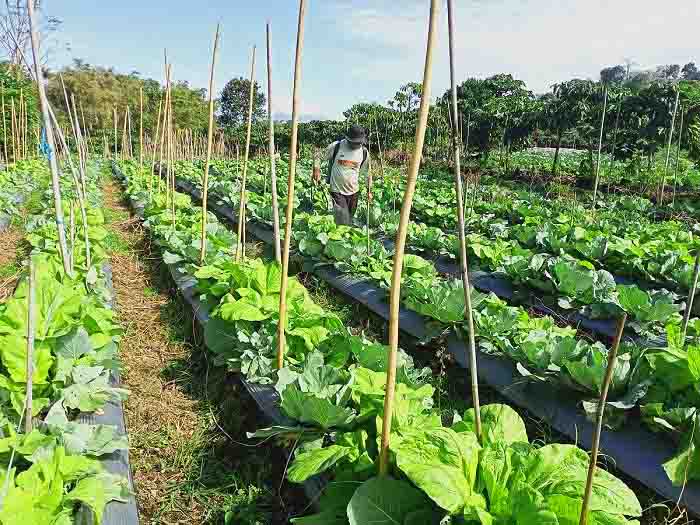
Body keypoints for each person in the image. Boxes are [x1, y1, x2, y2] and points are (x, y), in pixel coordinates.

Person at [313, 124, 371, 226]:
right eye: (354, 142)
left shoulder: (364, 152)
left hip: (354, 192)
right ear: (348, 139)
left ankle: (345, 239)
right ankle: (339, 240)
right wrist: (316, 168)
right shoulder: (336, 146)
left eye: (358, 143)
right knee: (342, 220)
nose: (356, 145)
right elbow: (319, 156)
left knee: (349, 218)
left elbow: (368, 173)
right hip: (337, 191)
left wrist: (369, 190)